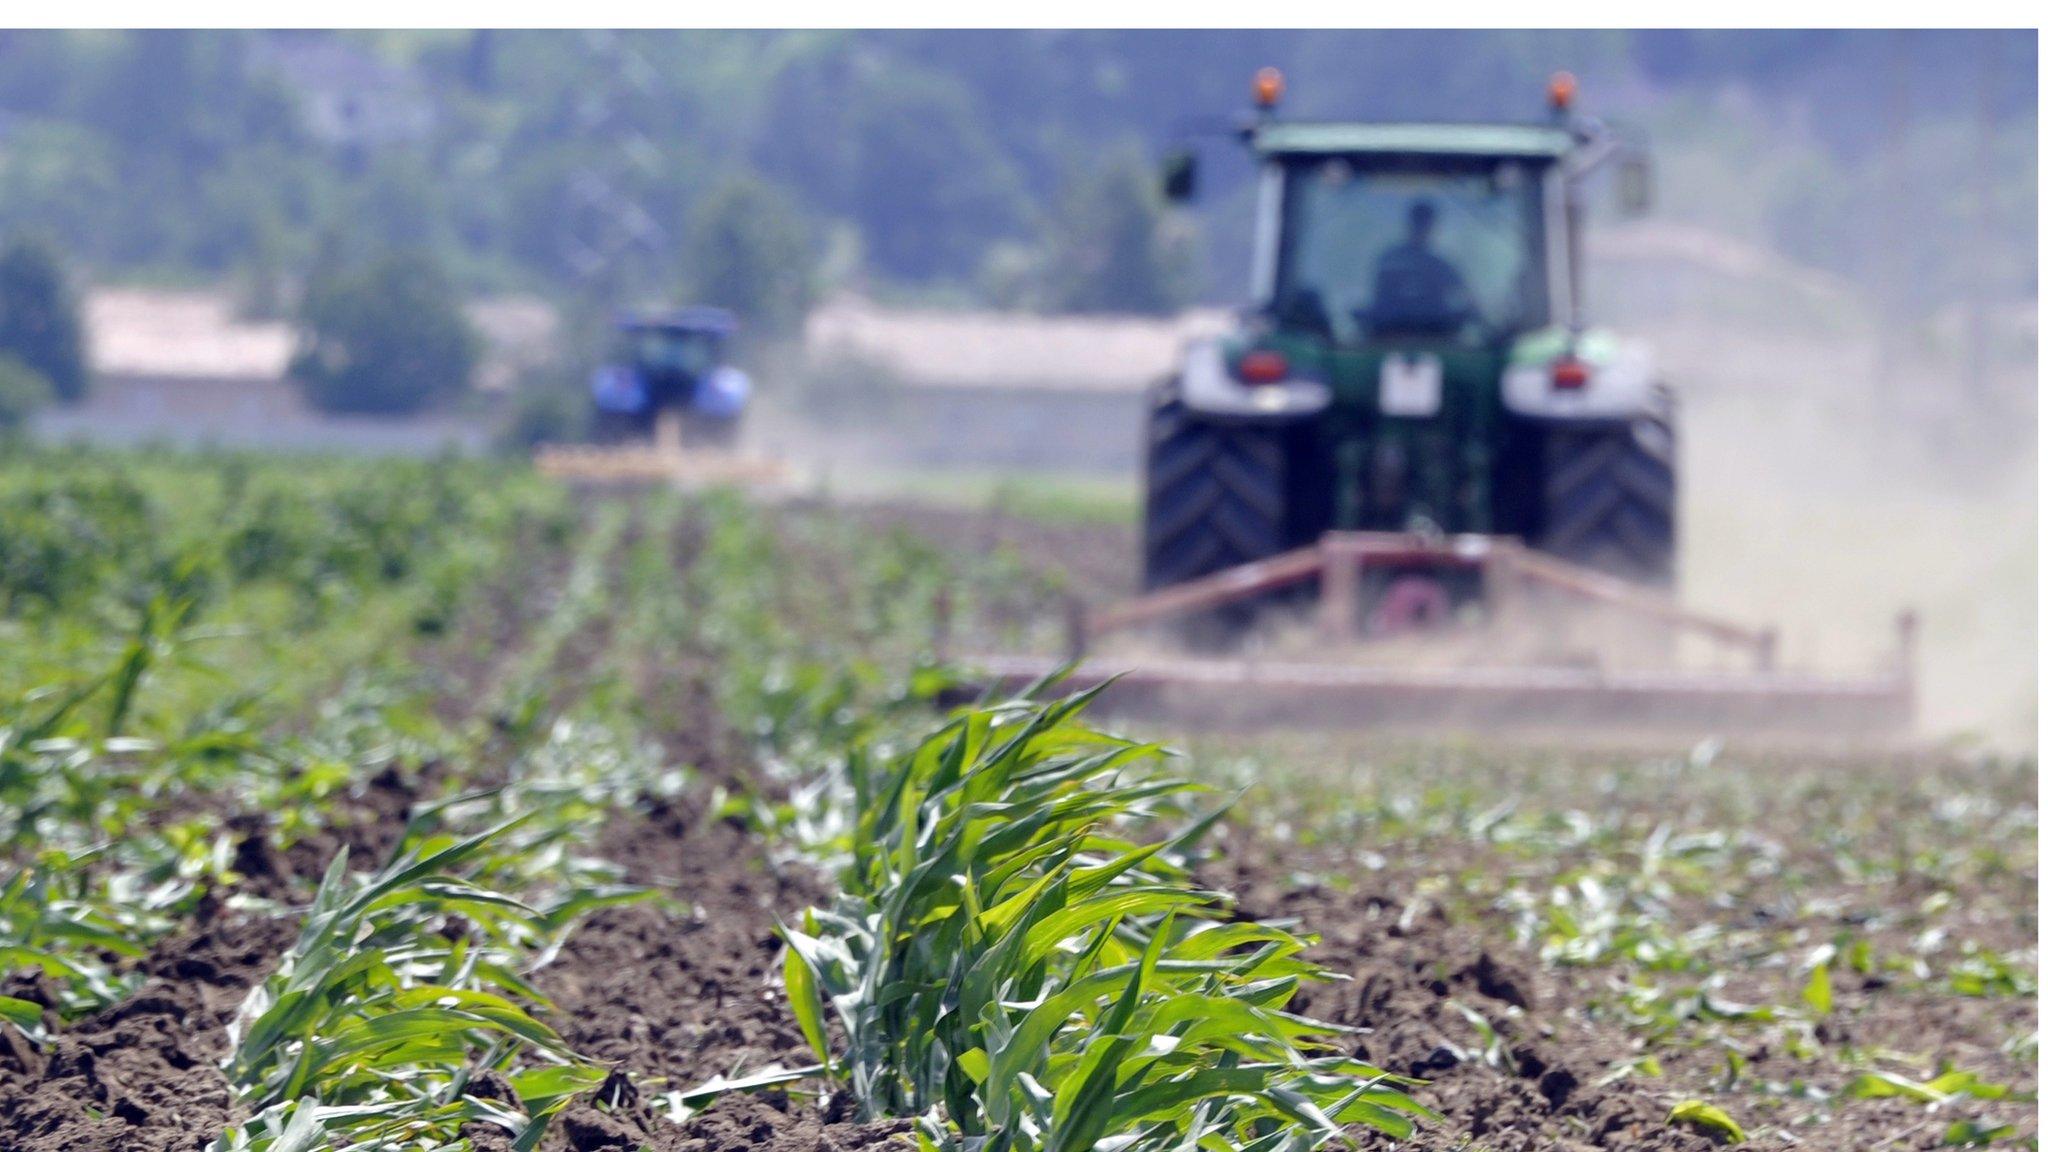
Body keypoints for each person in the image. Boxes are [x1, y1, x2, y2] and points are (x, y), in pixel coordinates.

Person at [1365, 199, 1476, 336]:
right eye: (1419, 223)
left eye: (1425, 224)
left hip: (1440, 336)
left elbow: (1466, 297)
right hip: (1386, 335)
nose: (1422, 228)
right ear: (1411, 224)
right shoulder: (1389, 260)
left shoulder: (1441, 265)